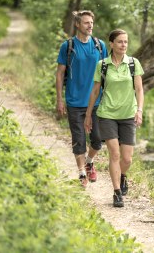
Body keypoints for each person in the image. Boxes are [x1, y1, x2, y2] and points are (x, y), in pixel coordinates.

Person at [84, 29, 144, 208]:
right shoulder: (102, 65)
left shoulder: (133, 63)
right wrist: (88, 114)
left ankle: (122, 176)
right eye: (119, 42)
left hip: (128, 115)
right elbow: (95, 90)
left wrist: (139, 110)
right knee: (115, 154)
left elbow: (139, 90)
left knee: (127, 159)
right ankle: (117, 192)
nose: (123, 45)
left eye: (126, 42)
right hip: (107, 114)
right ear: (111, 44)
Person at [56, 10, 108, 187]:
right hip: (74, 102)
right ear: (78, 24)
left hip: (96, 103)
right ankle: (81, 174)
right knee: (79, 139)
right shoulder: (68, 46)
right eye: (86, 23)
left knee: (98, 139)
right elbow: (60, 73)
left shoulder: (99, 46)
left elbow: (107, 73)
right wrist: (59, 100)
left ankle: (89, 161)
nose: (90, 25)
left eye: (91, 22)